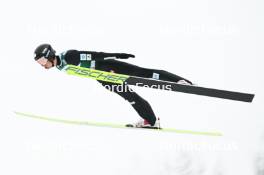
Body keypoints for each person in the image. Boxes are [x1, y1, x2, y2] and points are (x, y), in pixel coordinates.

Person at [34, 44, 192, 128]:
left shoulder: (68, 56)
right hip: (104, 79)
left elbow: (94, 55)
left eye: (42, 61)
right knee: (130, 97)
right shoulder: (61, 67)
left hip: (107, 67)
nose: (43, 65)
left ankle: (179, 81)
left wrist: (117, 55)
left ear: (49, 55)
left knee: (143, 73)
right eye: (39, 63)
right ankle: (150, 121)